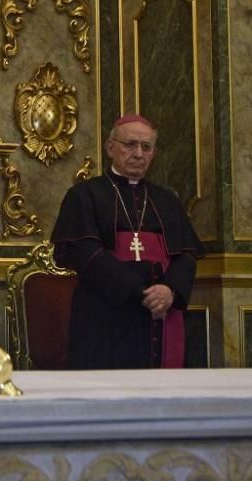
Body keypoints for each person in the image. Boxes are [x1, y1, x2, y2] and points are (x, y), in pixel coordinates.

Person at [51, 114, 202, 369]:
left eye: (146, 147)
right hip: (103, 316)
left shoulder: (167, 200)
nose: (139, 153)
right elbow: (86, 254)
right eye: (130, 145)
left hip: (162, 315)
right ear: (111, 148)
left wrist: (170, 290)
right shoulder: (84, 195)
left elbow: (186, 254)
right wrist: (139, 292)